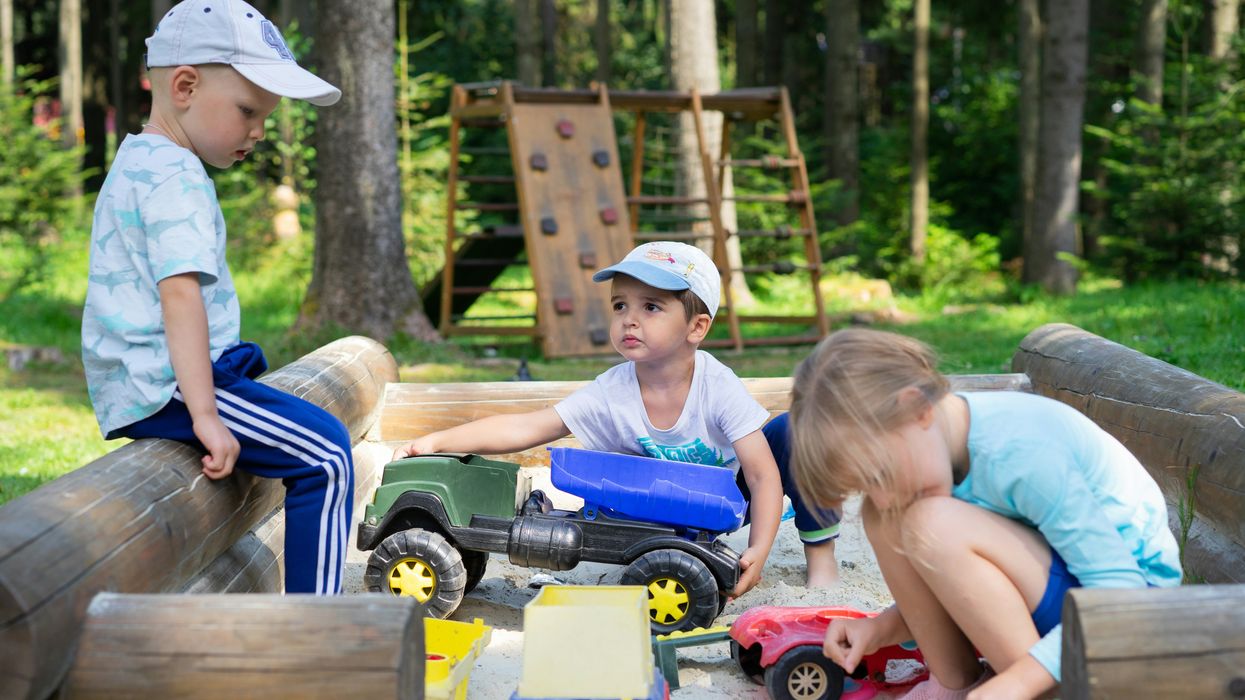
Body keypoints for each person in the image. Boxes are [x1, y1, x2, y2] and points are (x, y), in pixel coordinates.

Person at [82, 0, 351, 595]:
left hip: (153, 378)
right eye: (248, 110)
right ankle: (322, 630)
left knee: (307, 434)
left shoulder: (141, 160)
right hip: (169, 385)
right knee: (327, 456)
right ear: (184, 85)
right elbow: (179, 296)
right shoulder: (175, 176)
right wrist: (206, 415)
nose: (258, 131)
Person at [787, 328, 1182, 700]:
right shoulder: (935, 453)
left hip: (1127, 615)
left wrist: (1019, 683)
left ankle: (1036, 691)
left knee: (931, 526)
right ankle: (953, 684)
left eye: (882, 474)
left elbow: (1119, 592)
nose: (883, 496)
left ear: (917, 409)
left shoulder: (1021, 453)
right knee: (884, 518)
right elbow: (965, 589)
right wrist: (878, 630)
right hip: (1060, 605)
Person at [393, 241, 789, 596]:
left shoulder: (717, 387)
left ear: (696, 327)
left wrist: (759, 549)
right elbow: (531, 426)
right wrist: (438, 441)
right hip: (650, 513)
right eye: (620, 305)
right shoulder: (612, 389)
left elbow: (761, 475)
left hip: (718, 505)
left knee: (788, 435)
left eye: (651, 307)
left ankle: (819, 545)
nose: (629, 319)